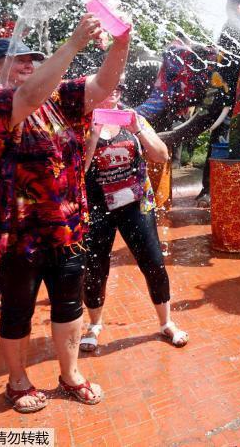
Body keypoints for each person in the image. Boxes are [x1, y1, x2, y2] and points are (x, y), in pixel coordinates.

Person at [0, 16, 128, 413]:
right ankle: (17, 381)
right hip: (16, 233)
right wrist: (71, 44)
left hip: (66, 228)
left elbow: (103, 86)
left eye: (33, 61)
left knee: (69, 305)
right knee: (17, 309)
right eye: (20, 60)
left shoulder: (58, 98)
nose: (29, 66)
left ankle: (70, 374)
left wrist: (121, 42)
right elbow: (28, 99)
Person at [79, 83, 187, 352]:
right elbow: (77, 170)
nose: (111, 93)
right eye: (106, 88)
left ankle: (166, 323)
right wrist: (92, 136)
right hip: (96, 208)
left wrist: (136, 129)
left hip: (136, 205)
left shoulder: (135, 119)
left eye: (116, 89)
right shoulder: (82, 124)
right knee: (94, 269)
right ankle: (94, 326)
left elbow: (161, 156)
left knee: (154, 263)